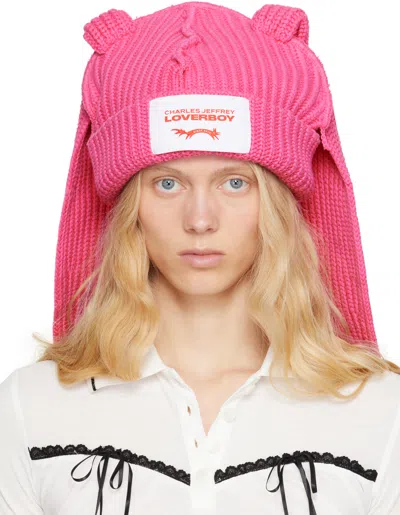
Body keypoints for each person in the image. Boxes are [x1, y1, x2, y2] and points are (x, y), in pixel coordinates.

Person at [1, 2, 400, 514]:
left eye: (235, 183)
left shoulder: (381, 413)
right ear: (128, 209)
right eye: (167, 184)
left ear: (277, 206)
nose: (200, 219)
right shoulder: (31, 407)